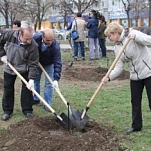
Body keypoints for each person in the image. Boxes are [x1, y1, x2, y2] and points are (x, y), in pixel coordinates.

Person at [102, 22, 151, 134]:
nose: (109, 38)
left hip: (148, 72)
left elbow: (149, 40)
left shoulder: (132, 34)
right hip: (134, 76)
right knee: (135, 101)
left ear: (115, 32)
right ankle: (136, 126)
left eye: (110, 36)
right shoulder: (117, 47)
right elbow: (119, 67)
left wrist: (137, 37)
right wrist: (108, 77)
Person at [0, 25, 39, 121]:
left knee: (27, 89)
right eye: (27, 39)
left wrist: (31, 79)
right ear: (20, 34)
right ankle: (7, 111)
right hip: (9, 66)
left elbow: (33, 64)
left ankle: (27, 110)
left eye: (31, 38)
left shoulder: (33, 45)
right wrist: (2, 54)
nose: (29, 41)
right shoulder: (9, 35)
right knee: (8, 88)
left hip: (23, 68)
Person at [33, 28, 62, 111]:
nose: (50, 42)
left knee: (49, 83)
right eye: (48, 40)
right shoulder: (35, 38)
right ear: (42, 37)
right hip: (37, 62)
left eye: (52, 40)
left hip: (49, 63)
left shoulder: (55, 46)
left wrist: (56, 79)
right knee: (35, 81)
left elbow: (57, 62)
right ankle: (36, 98)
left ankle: (47, 104)